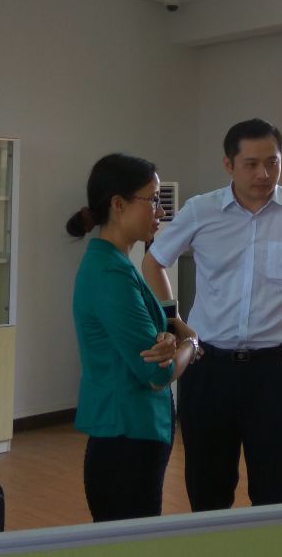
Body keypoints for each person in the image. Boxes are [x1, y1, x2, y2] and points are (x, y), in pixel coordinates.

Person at [142, 118, 282, 511]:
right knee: (207, 490)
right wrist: (174, 323)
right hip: (208, 367)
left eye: (272, 162)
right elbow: (154, 262)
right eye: (251, 164)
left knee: (271, 490)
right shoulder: (201, 211)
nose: (264, 173)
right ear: (229, 164)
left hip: (274, 369)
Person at [67, 153, 198, 522]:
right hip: (126, 438)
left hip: (132, 433)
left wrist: (169, 336)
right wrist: (191, 345)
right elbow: (157, 372)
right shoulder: (111, 274)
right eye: (153, 199)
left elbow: (148, 336)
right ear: (119, 204)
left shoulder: (119, 263)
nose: (160, 209)